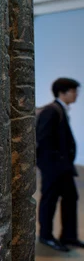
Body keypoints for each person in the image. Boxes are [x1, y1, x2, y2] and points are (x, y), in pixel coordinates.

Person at [37, 77, 84, 251]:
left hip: (62, 168)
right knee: (49, 200)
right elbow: (43, 139)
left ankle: (69, 236)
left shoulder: (60, 110)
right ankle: (46, 236)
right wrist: (53, 164)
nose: (76, 94)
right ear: (62, 92)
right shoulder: (52, 111)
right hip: (54, 168)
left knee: (71, 198)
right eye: (73, 91)